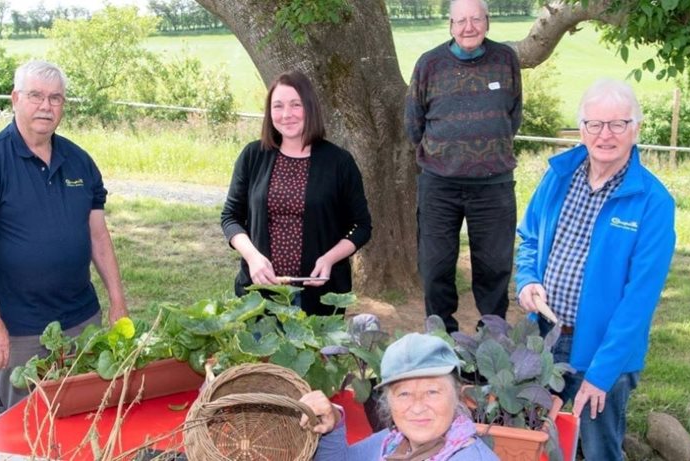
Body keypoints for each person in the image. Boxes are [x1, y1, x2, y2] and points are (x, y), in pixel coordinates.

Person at [0, 60, 128, 412]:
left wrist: (117, 301)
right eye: (36, 96)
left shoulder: (80, 162)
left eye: (56, 98)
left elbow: (98, 237)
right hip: (19, 330)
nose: (46, 106)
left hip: (82, 320)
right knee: (24, 428)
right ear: (15, 98)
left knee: (87, 418)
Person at [515, 78, 676, 460]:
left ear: (635, 130)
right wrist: (527, 281)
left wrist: (601, 374)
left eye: (618, 124)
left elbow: (639, 301)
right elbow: (530, 238)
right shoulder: (558, 177)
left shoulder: (653, 202)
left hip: (607, 350)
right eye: (595, 124)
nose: (605, 134)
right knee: (537, 438)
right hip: (547, 337)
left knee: (600, 448)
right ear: (582, 129)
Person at [405, 0, 522, 333]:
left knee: (495, 265)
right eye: (460, 21)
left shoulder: (506, 60)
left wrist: (484, 148)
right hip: (440, 185)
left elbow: (512, 115)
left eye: (476, 20)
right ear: (450, 25)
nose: (468, 27)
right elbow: (413, 124)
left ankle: (490, 342)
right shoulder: (429, 64)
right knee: (436, 265)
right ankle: (443, 338)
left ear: (488, 22)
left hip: (494, 184)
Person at [221, 70, 371, 316]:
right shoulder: (253, 156)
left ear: (310, 108)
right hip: (259, 296)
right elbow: (230, 217)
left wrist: (329, 259)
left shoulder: (339, 162)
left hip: (318, 298)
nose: (286, 114)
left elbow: (361, 226)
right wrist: (253, 257)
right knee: (258, 356)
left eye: (295, 105)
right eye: (278, 106)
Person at [300, 333, 499, 460]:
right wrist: (333, 423)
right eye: (404, 394)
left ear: (457, 395)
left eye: (432, 392)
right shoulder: (392, 442)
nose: (418, 407)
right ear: (388, 401)